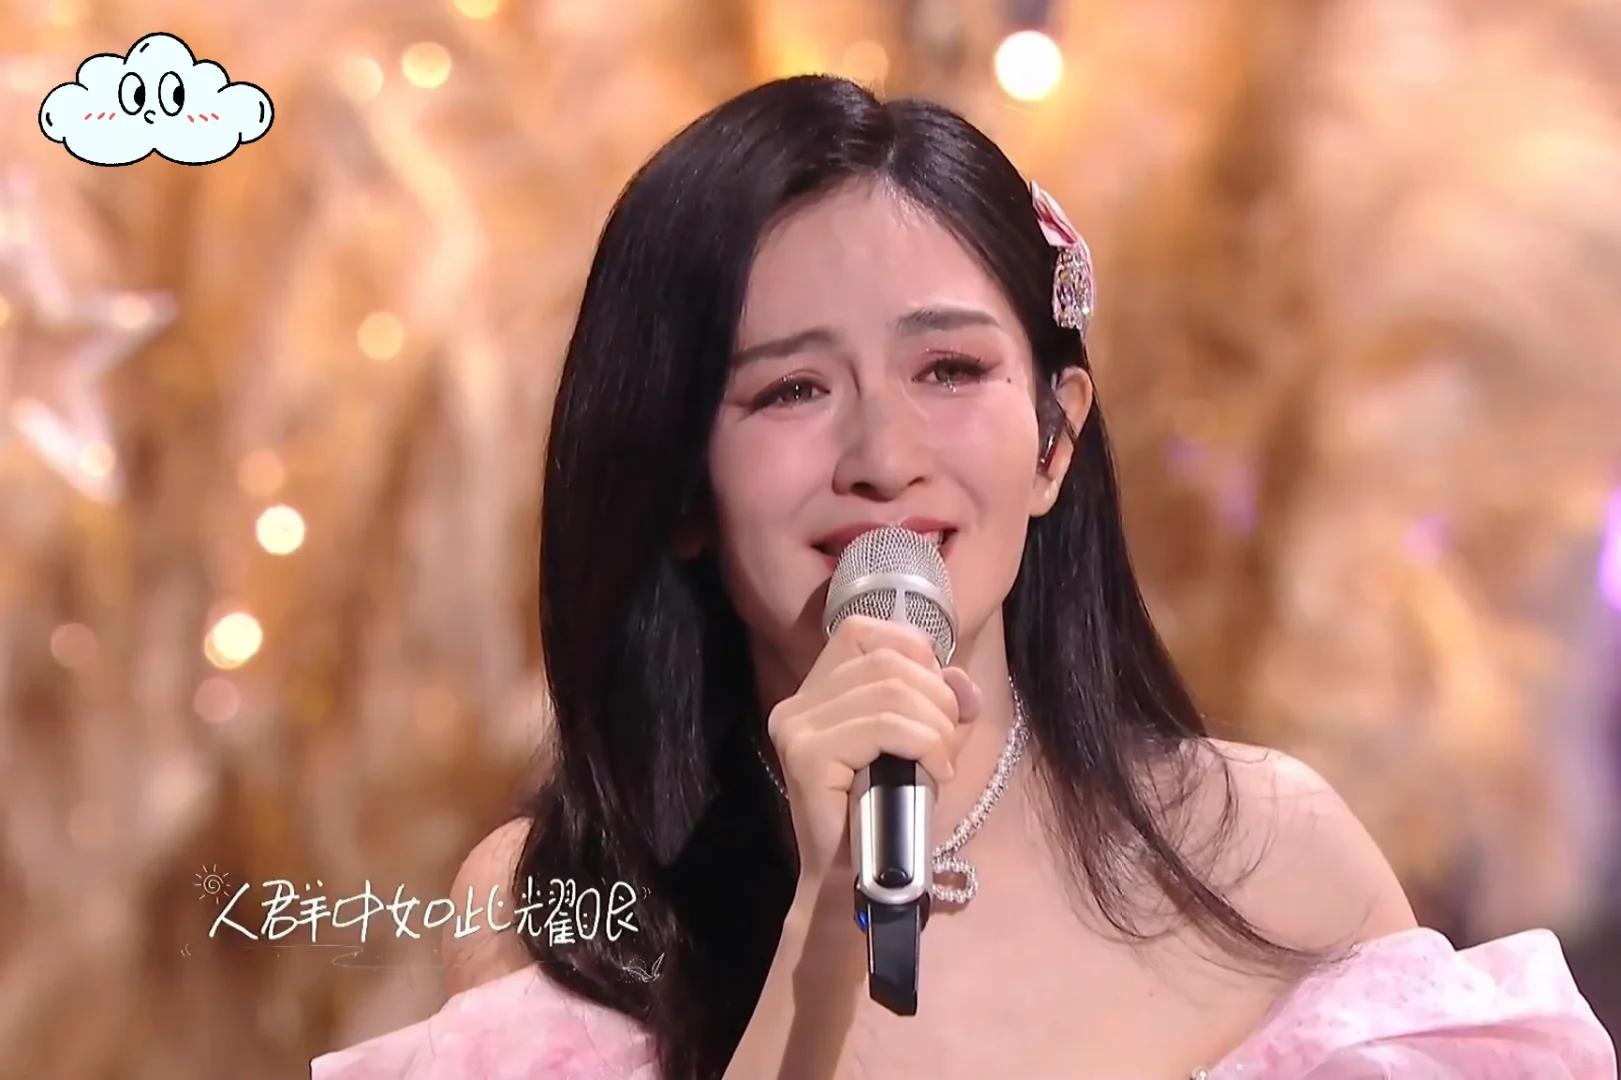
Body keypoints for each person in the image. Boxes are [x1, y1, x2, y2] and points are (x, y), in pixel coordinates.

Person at [311, 74, 1617, 1079]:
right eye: (790, 390)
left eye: (949, 370)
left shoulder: (1263, 857)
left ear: (1053, 439)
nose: (885, 459)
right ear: (680, 489)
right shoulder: (560, 908)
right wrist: (826, 912)